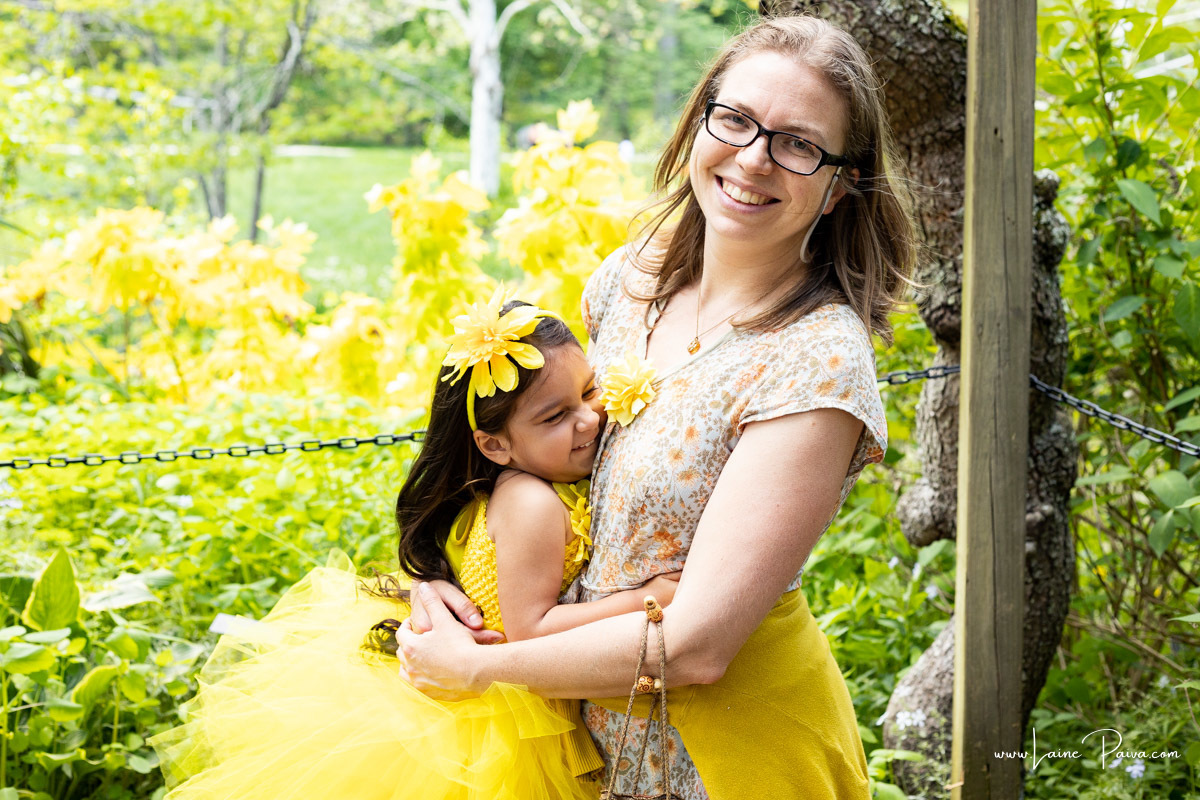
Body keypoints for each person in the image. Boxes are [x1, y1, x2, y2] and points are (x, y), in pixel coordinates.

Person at [398, 14, 917, 799]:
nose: (752, 159)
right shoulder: (631, 278)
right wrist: (448, 592)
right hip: (578, 740)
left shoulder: (819, 365)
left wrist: (481, 665)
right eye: (736, 119)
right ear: (700, 117)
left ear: (841, 182)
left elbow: (700, 644)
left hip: (728, 754)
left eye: (798, 144)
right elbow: (533, 464)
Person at [150, 292, 681, 800]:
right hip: (492, 712)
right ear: (494, 445)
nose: (588, 419)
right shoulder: (533, 504)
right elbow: (530, 629)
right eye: (554, 416)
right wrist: (648, 598)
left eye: (588, 392)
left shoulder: (530, 483)